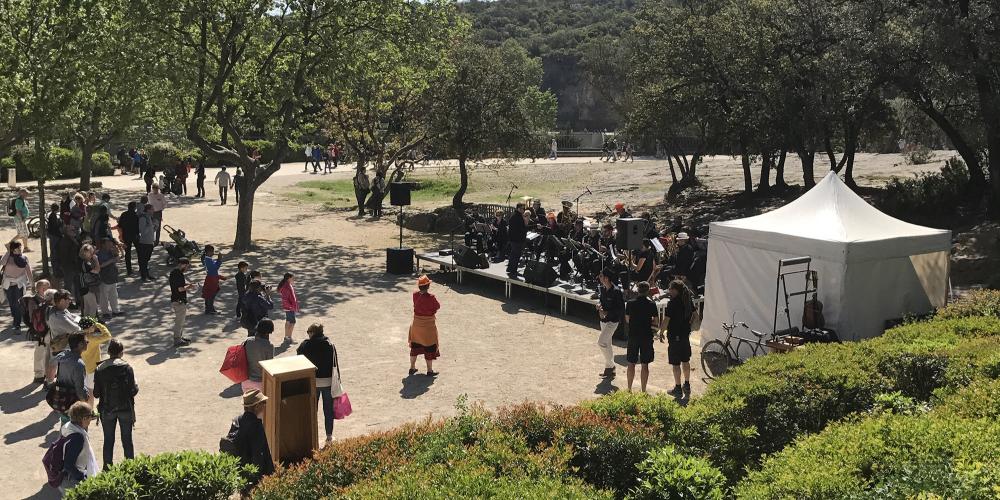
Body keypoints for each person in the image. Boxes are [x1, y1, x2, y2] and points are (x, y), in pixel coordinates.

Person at [93, 339, 138, 469]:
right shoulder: (127, 367)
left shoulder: (100, 369)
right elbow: (133, 391)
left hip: (107, 410)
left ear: (108, 352)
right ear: (122, 353)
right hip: (125, 409)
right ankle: (131, 469)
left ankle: (107, 469)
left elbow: (96, 394)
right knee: (127, 440)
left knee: (108, 440)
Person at [297, 323, 341, 444]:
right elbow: (335, 364)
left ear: (312, 333)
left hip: (311, 382)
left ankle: (311, 436)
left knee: (311, 411)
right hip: (327, 382)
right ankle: (329, 436)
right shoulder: (330, 345)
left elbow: (298, 358)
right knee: (328, 411)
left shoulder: (305, 345)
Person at [225, 389, 274, 493]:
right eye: (263, 403)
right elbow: (260, 453)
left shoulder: (237, 420)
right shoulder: (256, 425)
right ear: (256, 406)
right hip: (252, 475)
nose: (265, 406)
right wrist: (269, 475)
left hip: (239, 471)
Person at [57, 401, 100, 495]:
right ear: (84, 418)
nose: (90, 420)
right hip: (71, 480)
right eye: (90, 417)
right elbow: (69, 464)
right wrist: (82, 478)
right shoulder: (78, 438)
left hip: (64, 477)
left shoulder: (67, 426)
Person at [625, 281, 659, 393]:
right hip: (646, 336)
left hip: (633, 335)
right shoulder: (652, 304)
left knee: (631, 363)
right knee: (645, 364)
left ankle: (629, 389)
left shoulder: (630, 303)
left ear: (637, 290)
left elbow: (627, 320)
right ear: (648, 291)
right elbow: (656, 321)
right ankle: (643, 390)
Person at [664, 280, 694, 396]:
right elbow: (695, 316)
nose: (669, 291)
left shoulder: (672, 303)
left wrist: (661, 331)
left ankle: (677, 388)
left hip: (674, 336)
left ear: (675, 290)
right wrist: (688, 324)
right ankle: (687, 385)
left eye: (670, 289)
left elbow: (666, 320)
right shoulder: (687, 300)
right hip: (685, 335)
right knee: (685, 361)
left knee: (676, 364)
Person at [407, 275, 440, 376]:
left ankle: (412, 368)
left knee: (415, 348)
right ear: (428, 286)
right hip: (428, 327)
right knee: (429, 348)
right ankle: (429, 370)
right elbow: (437, 306)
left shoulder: (415, 295)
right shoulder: (432, 297)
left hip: (416, 325)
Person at [596, 269, 624, 378]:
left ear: (606, 278)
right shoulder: (603, 289)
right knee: (607, 345)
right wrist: (599, 306)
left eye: (601, 276)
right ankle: (609, 370)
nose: (600, 277)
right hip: (603, 320)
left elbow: (621, 310)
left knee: (601, 342)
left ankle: (612, 366)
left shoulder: (616, 291)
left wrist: (607, 312)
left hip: (612, 322)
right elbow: (601, 300)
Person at [55, 333, 90, 419]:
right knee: (77, 429)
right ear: (80, 344)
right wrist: (85, 400)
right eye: (86, 341)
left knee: (65, 426)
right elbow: (79, 389)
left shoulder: (63, 356)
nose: (88, 343)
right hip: (74, 404)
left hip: (62, 399)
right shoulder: (79, 364)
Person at [2, 240, 33, 331]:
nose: (20, 249)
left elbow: (29, 272)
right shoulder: (8, 257)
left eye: (20, 247)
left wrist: (32, 284)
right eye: (17, 248)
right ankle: (15, 316)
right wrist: (8, 251)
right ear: (13, 249)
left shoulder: (24, 258)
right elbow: (2, 263)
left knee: (17, 304)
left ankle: (17, 323)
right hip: (8, 284)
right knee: (11, 303)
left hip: (19, 284)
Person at [47, 290, 82, 372]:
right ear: (62, 301)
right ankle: (49, 383)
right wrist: (81, 324)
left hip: (65, 346)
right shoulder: (58, 316)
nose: (70, 301)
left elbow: (74, 317)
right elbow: (76, 329)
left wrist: (81, 320)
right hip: (63, 348)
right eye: (69, 299)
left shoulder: (61, 309)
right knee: (65, 371)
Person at [25, 279, 51, 384]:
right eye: (46, 287)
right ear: (41, 288)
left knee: (48, 352)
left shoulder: (48, 299)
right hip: (38, 331)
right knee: (40, 352)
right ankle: (39, 375)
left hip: (47, 330)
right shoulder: (33, 300)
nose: (48, 289)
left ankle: (46, 373)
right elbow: (32, 318)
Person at [78, 317, 112, 395]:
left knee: (86, 388)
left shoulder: (79, 336)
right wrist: (99, 325)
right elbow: (108, 336)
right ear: (89, 328)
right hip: (93, 368)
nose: (95, 327)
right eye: (93, 326)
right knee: (91, 392)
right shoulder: (92, 339)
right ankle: (89, 406)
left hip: (83, 367)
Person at [169, 258, 196, 346]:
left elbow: (178, 285)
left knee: (181, 320)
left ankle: (179, 337)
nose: (187, 268)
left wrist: (188, 285)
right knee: (179, 321)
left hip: (177, 299)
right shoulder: (178, 274)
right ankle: (177, 340)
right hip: (178, 301)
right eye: (187, 266)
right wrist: (189, 287)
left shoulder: (174, 273)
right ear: (183, 265)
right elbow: (179, 289)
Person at [242, 319, 274, 392]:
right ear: (268, 332)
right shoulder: (269, 346)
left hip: (245, 381)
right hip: (260, 383)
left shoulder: (248, 341)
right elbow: (269, 366)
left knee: (248, 402)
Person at [96, 239, 122, 319]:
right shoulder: (99, 254)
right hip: (104, 278)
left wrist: (117, 252)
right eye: (108, 244)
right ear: (103, 244)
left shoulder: (111, 251)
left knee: (114, 295)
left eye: (110, 243)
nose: (110, 245)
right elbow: (100, 266)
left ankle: (115, 310)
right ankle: (105, 312)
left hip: (112, 277)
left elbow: (118, 259)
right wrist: (111, 260)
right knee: (104, 297)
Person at [78, 244, 101, 317]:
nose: (91, 252)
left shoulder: (87, 262)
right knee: (93, 306)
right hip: (87, 288)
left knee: (87, 307)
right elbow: (97, 270)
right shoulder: (86, 263)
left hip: (85, 287)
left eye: (91, 250)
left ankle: (87, 324)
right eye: (89, 251)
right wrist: (96, 260)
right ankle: (92, 325)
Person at [201, 245, 224, 315]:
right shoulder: (208, 260)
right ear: (208, 252)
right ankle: (210, 309)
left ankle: (208, 309)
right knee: (211, 294)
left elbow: (214, 266)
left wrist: (218, 260)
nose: (213, 253)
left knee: (209, 293)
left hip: (211, 278)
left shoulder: (208, 259)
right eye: (212, 252)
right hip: (212, 279)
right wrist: (219, 259)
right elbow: (215, 268)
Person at [506, 202, 527, 279]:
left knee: (513, 254)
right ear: (518, 208)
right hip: (517, 240)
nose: (523, 210)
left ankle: (510, 268)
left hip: (513, 239)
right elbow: (522, 229)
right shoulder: (517, 217)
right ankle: (513, 270)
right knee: (516, 255)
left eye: (524, 208)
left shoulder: (514, 216)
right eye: (522, 208)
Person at [276, 273, 298, 344]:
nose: (293, 279)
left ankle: (287, 337)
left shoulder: (287, 285)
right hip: (289, 307)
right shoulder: (286, 286)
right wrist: (291, 307)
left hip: (289, 307)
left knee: (288, 321)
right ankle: (289, 338)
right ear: (289, 278)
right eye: (292, 278)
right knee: (292, 322)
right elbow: (285, 299)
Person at [136, 204, 157, 281]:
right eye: (152, 209)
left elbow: (152, 230)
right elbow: (142, 231)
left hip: (150, 242)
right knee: (143, 260)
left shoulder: (150, 218)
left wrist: (155, 226)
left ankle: (146, 274)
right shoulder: (143, 218)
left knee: (146, 260)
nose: (153, 210)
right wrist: (151, 226)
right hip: (144, 242)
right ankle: (143, 276)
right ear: (148, 210)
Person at [118, 202, 139, 276]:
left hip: (126, 236)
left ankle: (129, 270)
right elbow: (138, 226)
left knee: (128, 253)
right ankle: (141, 267)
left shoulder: (124, 214)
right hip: (135, 236)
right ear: (134, 207)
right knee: (139, 252)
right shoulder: (136, 215)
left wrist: (121, 235)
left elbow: (119, 225)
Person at [47, 203, 63, 275]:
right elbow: (55, 226)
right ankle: (56, 271)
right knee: (55, 253)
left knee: (54, 252)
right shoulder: (53, 216)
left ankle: (56, 270)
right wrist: (60, 222)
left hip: (53, 235)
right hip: (55, 236)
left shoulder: (52, 215)